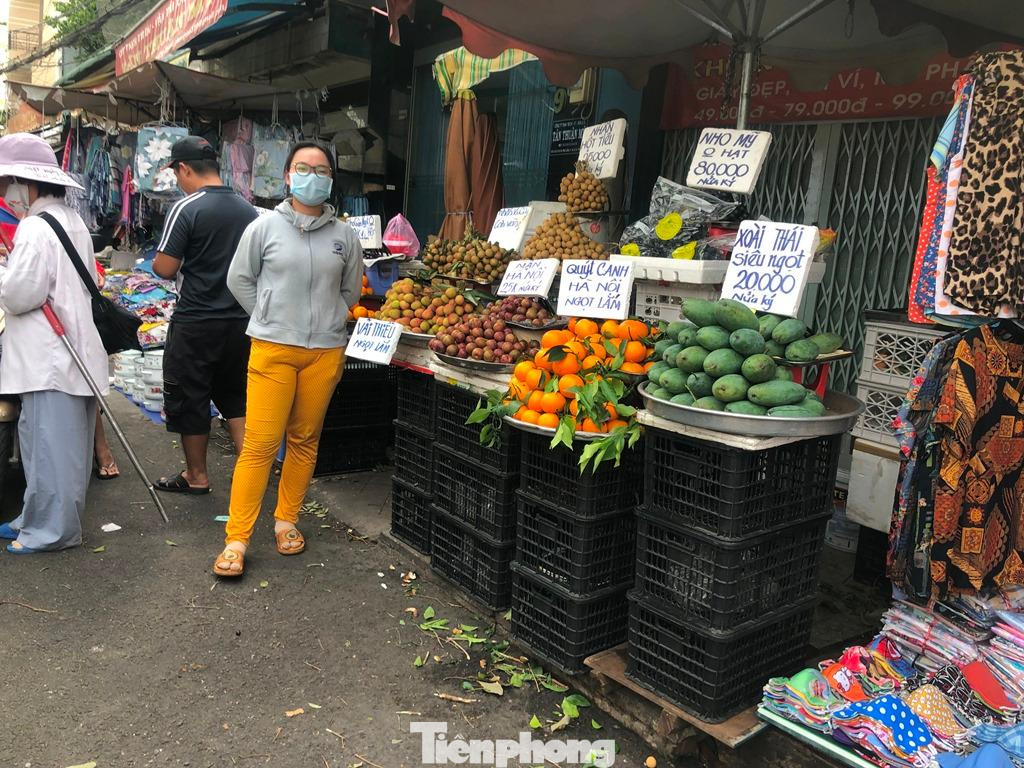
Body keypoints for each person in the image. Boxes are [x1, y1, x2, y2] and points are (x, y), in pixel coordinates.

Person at [213, 142, 363, 577]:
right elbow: (239, 278)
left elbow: (350, 292)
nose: (313, 175)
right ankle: (237, 539)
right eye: (304, 167)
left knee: (303, 440)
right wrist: (268, 313)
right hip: (273, 348)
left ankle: (286, 521)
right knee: (259, 445)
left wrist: (331, 319)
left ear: (332, 179)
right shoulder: (263, 228)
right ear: (287, 176)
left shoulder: (345, 237)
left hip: (325, 352)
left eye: (322, 169)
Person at [0, 133, 108, 553]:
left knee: (53, 450)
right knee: (39, 442)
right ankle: (33, 517)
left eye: (9, 180)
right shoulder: (70, 219)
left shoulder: (34, 226)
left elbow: (19, 294)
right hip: (64, 352)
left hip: (52, 356)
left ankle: (53, 532)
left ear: (26, 184)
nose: (6, 191)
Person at [152, 136, 257, 494]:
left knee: (190, 397)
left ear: (184, 169)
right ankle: (250, 480)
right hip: (240, 322)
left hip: (196, 321)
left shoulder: (187, 208)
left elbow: (165, 268)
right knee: (237, 397)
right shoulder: (248, 210)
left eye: (177, 173)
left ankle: (196, 476)